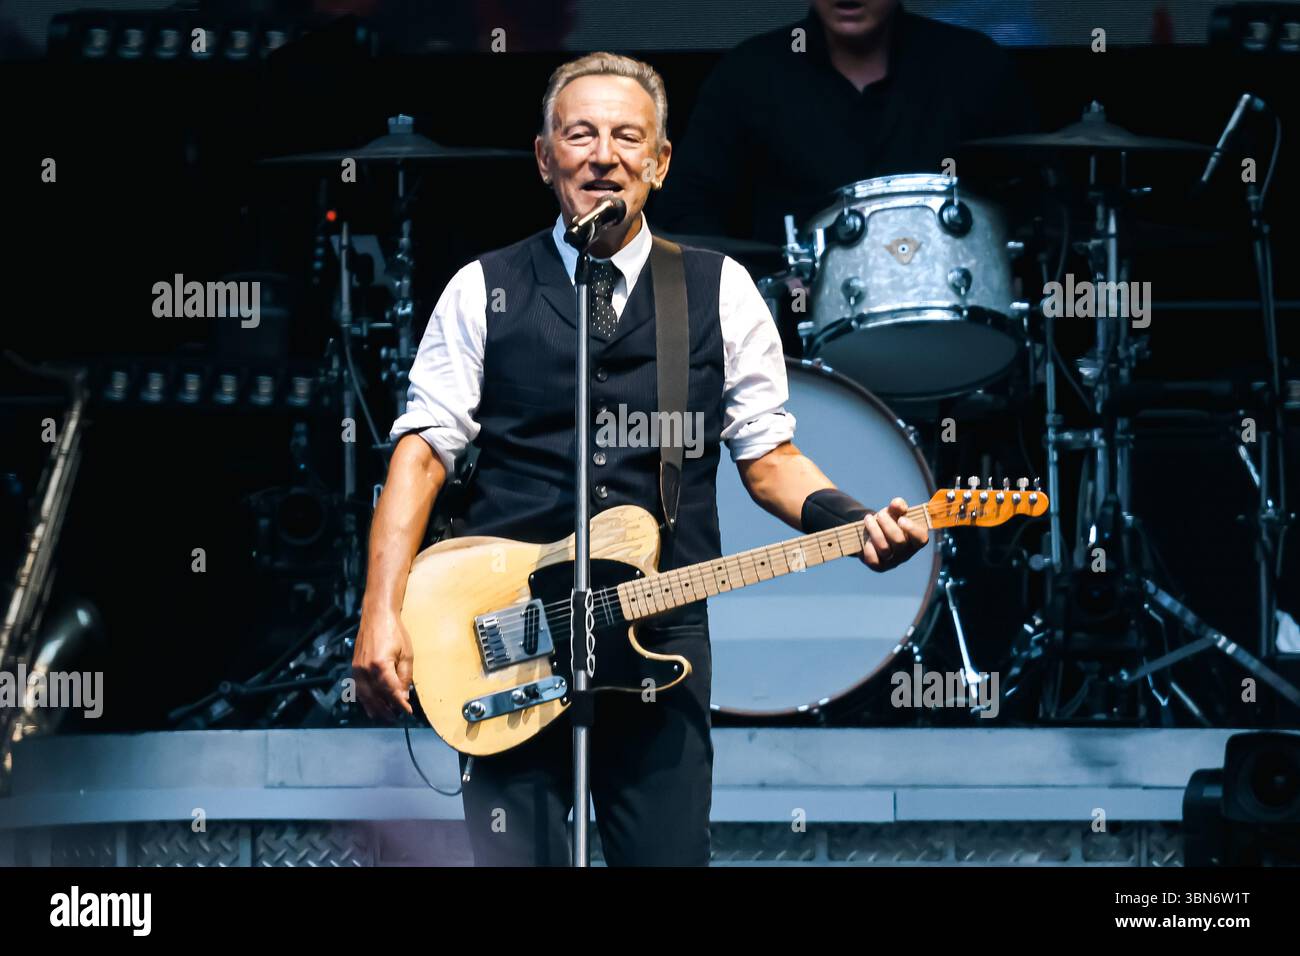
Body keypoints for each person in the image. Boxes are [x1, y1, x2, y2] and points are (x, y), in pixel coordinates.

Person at [351, 51, 928, 866]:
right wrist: (380, 609)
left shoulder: (717, 289)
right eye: (579, 134)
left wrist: (854, 518)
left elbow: (768, 457)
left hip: (661, 636)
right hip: (506, 630)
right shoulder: (484, 287)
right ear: (544, 157)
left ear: (659, 163)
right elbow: (421, 452)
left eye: (628, 136)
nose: (603, 154)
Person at [653, 0, 1035, 244]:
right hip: (794, 343)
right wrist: (756, 281)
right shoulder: (749, 74)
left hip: (960, 337)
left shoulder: (974, 67)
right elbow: (688, 211)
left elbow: (1033, 207)